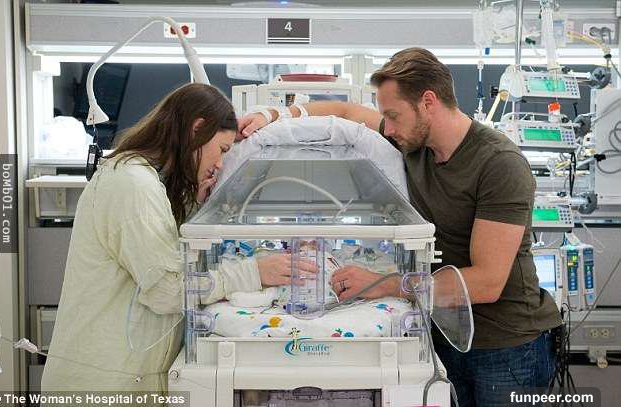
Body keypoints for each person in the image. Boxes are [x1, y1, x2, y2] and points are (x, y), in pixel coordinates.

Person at [238, 48, 562, 406]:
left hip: (505, 344)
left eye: (393, 116)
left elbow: (486, 283)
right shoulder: (414, 142)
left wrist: (382, 283)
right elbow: (345, 113)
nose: (387, 130)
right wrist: (276, 115)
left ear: (428, 102)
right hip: (441, 328)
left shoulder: (498, 164)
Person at [41, 83, 315, 395]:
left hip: (127, 377)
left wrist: (194, 205)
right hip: (102, 384)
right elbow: (166, 292)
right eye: (222, 150)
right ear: (197, 129)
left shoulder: (144, 182)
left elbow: (163, 252)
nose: (220, 164)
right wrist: (254, 272)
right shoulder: (132, 185)